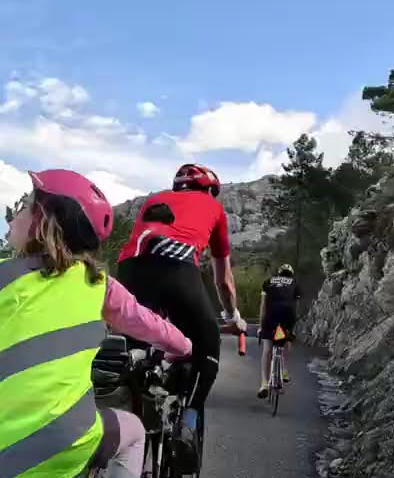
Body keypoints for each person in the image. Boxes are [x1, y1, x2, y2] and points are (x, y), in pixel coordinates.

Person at [0, 169, 191, 478]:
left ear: (43, 221)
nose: (14, 215)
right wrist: (185, 347)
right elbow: (149, 325)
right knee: (134, 431)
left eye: (24, 207)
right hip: (60, 432)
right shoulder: (98, 285)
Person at [114, 163, 247, 442]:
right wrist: (232, 315)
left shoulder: (153, 200)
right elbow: (223, 279)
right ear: (210, 190)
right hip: (177, 270)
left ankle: (133, 401)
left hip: (129, 270)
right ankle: (188, 421)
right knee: (207, 342)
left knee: (135, 348)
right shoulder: (214, 208)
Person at [257, 263, 301, 398]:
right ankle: (284, 370)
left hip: (271, 315)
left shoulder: (268, 282)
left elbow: (263, 305)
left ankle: (264, 383)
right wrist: (293, 327)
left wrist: (261, 326)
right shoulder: (295, 284)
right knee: (286, 338)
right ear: (291, 274)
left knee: (267, 349)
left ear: (279, 273)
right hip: (287, 314)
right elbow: (296, 307)